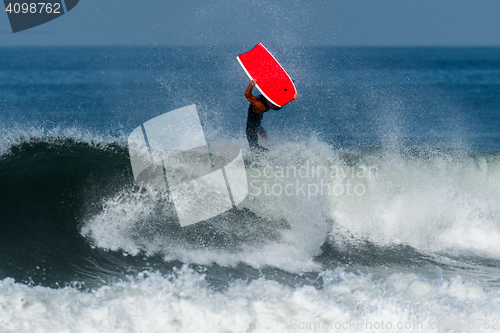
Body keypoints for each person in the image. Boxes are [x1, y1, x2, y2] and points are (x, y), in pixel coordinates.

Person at [245, 79, 297, 152]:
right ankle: (268, 150)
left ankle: (267, 147)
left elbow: (247, 94)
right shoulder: (265, 102)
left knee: (259, 139)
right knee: (255, 145)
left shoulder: (264, 103)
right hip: (253, 127)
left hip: (254, 125)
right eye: (274, 102)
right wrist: (292, 96)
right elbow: (247, 94)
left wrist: (251, 85)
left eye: (273, 103)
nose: (273, 101)